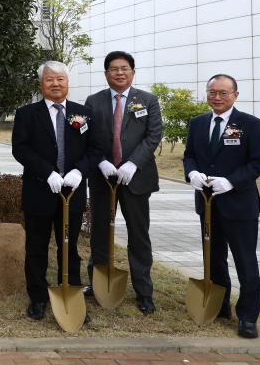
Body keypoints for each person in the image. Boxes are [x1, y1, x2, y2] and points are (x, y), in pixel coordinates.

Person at [183, 74, 260, 339]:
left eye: (223, 93)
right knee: (214, 257)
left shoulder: (250, 124)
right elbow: (190, 156)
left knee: (245, 260)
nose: (217, 98)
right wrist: (192, 174)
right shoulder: (197, 123)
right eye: (212, 92)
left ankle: (247, 317)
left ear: (235, 95)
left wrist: (230, 182)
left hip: (239, 204)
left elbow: (258, 162)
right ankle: (219, 305)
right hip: (208, 204)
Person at [12, 60, 93, 321]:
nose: (56, 84)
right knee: (36, 247)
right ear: (41, 83)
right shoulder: (27, 114)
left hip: (73, 192)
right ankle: (37, 298)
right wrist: (47, 172)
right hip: (39, 190)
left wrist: (79, 170)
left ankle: (71, 294)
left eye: (60, 79)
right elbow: (21, 149)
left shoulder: (82, 113)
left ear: (68, 83)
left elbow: (94, 149)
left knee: (69, 248)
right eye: (50, 79)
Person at [84, 51, 162, 314]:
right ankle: (96, 282)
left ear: (133, 72)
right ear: (106, 74)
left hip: (136, 179)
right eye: (114, 69)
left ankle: (144, 292)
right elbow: (89, 138)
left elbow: (153, 135)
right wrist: (102, 162)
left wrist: (133, 163)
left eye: (124, 68)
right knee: (99, 232)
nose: (119, 72)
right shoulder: (93, 102)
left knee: (138, 235)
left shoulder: (147, 101)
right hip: (102, 178)